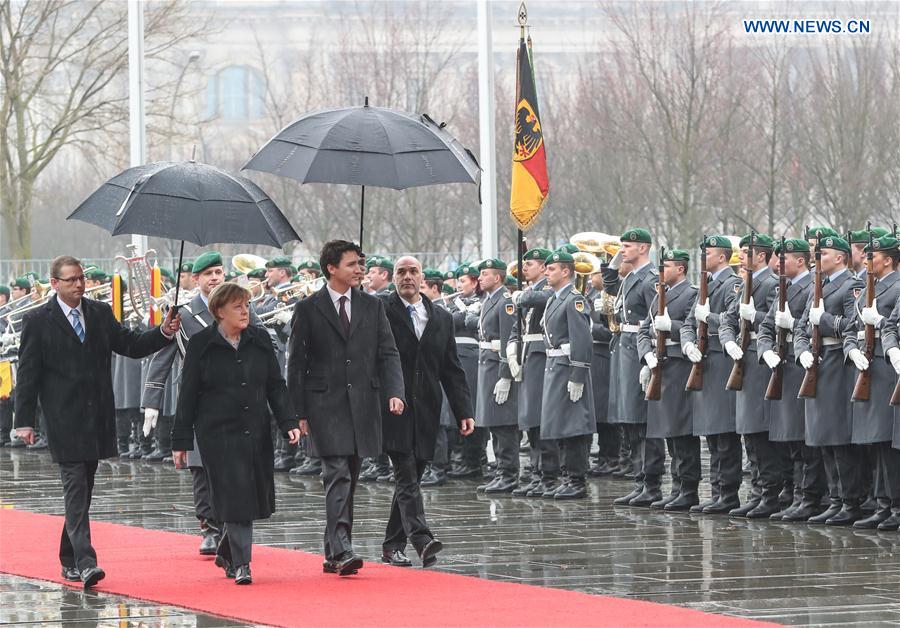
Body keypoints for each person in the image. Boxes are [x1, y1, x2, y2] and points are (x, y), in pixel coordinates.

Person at [14, 255, 180, 588]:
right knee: (76, 487)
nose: (79, 284)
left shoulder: (100, 314)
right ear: (55, 283)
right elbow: (29, 375)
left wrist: (162, 331)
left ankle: (67, 558)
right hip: (63, 419)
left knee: (83, 489)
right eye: (71, 279)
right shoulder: (38, 320)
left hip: (96, 416)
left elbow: (131, 345)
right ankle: (87, 562)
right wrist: (25, 421)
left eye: (81, 279)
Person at [288, 239, 404, 576]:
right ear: (332, 268)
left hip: (363, 404)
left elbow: (388, 352)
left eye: (360, 263)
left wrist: (395, 391)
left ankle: (332, 550)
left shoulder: (372, 306)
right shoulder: (308, 308)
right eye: (352, 264)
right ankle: (342, 545)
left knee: (350, 475)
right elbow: (296, 363)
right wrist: (298, 413)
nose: (359, 269)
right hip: (324, 404)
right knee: (336, 472)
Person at [172, 282, 300, 585]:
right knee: (234, 493)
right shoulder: (201, 344)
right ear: (219, 311)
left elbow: (274, 385)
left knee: (247, 494)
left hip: (254, 429)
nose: (246, 311)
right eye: (238, 306)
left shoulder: (258, 340)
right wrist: (181, 442)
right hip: (216, 434)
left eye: (247, 305)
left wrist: (289, 421)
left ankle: (228, 550)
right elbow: (187, 394)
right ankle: (243, 563)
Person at [143, 251, 268, 554]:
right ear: (196, 279)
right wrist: (152, 402)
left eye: (218, 272)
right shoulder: (183, 314)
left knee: (234, 468)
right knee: (200, 467)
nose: (214, 278)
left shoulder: (240, 305)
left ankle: (230, 528)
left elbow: (265, 340)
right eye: (208, 273)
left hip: (237, 399)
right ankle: (210, 527)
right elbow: (162, 359)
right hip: (199, 399)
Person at [379, 256, 474, 567]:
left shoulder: (441, 318)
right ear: (393, 277)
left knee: (412, 477)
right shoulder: (380, 310)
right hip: (393, 407)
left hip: (427, 409)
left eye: (413, 271)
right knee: (405, 472)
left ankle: (392, 545)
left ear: (422, 277)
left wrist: (464, 410)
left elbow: (451, 369)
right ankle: (421, 538)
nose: (407, 277)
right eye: (401, 272)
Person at [794, 234, 864, 525]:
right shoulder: (817, 286)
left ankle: (849, 501)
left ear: (840, 257)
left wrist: (824, 320)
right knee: (822, 436)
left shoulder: (852, 286)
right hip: (818, 363)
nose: (816, 259)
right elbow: (800, 326)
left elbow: (855, 325)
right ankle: (835, 499)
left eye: (822, 254)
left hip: (839, 365)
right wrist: (801, 353)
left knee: (838, 436)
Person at [755, 238, 822, 522]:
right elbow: (767, 326)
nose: (777, 264)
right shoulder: (786, 287)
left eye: (784, 260)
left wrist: (792, 325)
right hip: (783, 363)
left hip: (803, 363)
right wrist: (766, 352)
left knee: (805, 438)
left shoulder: (812, 287)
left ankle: (809, 497)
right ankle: (795, 494)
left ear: (800, 261)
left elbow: (810, 326)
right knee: (790, 439)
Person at [719, 233, 780, 518]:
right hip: (743, 356)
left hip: (760, 360)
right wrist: (728, 340)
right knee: (748, 430)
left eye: (746, 251)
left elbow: (776, 324)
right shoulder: (747, 282)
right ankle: (757, 491)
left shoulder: (771, 283)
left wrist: (753, 316)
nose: (740, 256)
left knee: (759, 427)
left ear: (761, 255)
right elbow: (729, 319)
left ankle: (769, 493)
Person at [843, 233, 900, 529]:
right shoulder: (870, 287)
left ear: (888, 260)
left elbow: (890, 326)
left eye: (872, 256)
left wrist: (879, 325)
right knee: (875, 442)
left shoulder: (897, 286)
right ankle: (883, 504)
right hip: (868, 365)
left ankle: (895, 505)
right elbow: (851, 328)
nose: (866, 261)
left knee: (888, 442)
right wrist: (850, 349)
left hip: (888, 367)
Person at [681, 236, 742, 514]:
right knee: (711, 432)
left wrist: (710, 317)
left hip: (721, 358)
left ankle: (728, 492)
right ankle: (717, 490)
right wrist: (688, 342)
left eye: (708, 252)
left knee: (723, 431)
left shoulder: (732, 283)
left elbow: (734, 319)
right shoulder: (706, 283)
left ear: (722, 257)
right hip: (704, 358)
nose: (703, 256)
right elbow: (688, 322)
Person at [637, 248, 699, 510]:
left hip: (679, 365)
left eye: (667, 267)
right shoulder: (659, 296)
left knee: (681, 430)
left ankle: (688, 489)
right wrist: (646, 357)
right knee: (668, 432)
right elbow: (643, 329)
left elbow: (691, 326)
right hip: (660, 364)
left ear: (681, 269)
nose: (662, 272)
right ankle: (676, 487)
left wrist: (670, 327)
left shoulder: (691, 293)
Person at [610, 228, 661, 506]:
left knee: (643, 420)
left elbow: (654, 322)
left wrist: (648, 359)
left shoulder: (649, 279)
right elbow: (609, 282)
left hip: (639, 350)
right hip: (625, 348)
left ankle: (650, 483)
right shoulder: (630, 277)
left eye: (627, 246)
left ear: (643, 248)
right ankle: (639, 479)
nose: (622, 252)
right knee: (629, 419)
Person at [539, 250, 595, 499]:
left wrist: (578, 376)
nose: (546, 273)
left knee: (573, 427)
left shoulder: (574, 300)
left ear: (565, 271)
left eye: (551, 269)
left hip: (568, 368)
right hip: (555, 367)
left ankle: (576, 479)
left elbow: (582, 340)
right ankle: (567, 476)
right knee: (560, 426)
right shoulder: (554, 299)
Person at [508, 248, 559, 498]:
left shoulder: (547, 290)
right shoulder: (532, 291)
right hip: (529, 355)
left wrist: (522, 295)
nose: (524, 268)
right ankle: (538, 472)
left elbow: (539, 299)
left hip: (540, 356)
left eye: (529, 264)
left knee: (541, 418)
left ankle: (548, 474)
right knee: (531, 419)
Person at [475, 258, 520, 494]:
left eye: (485, 273)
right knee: (494, 422)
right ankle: (502, 472)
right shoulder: (489, 300)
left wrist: (505, 375)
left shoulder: (505, 302)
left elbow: (507, 340)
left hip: (497, 366)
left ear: (498, 277)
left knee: (504, 423)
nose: (480, 278)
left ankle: (509, 473)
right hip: (487, 365)